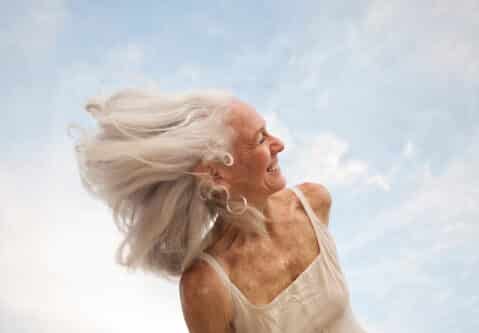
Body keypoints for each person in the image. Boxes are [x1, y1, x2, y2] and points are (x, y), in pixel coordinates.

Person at [71, 88, 367, 332]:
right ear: (215, 175)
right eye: (261, 139)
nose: (280, 145)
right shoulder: (206, 285)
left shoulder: (314, 203)